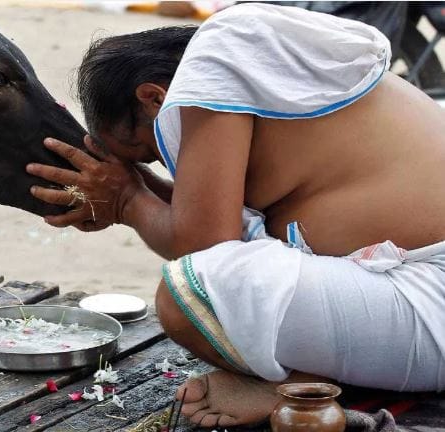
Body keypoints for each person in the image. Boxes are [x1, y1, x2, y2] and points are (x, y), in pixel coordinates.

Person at [26, 3, 445, 427]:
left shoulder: (218, 52)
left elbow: (206, 249)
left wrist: (127, 201)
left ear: (155, 98)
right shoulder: (258, 87)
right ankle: (322, 375)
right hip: (422, 309)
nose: (170, 165)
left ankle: (296, 386)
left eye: (151, 155)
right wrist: (129, 191)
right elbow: (218, 225)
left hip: (433, 300)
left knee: (184, 295)